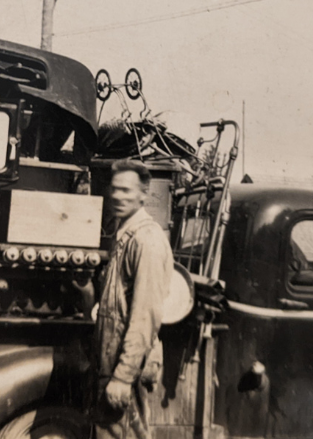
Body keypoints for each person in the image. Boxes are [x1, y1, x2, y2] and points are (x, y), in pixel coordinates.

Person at [93, 159, 172, 439]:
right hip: (111, 361)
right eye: (114, 189)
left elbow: (144, 317)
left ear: (143, 194)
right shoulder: (124, 234)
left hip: (126, 366)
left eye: (126, 191)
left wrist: (123, 377)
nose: (117, 196)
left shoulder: (146, 240)